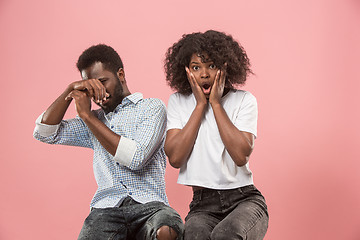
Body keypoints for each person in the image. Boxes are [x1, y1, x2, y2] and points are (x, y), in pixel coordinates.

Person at [33, 44, 183, 240]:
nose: (99, 92)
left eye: (103, 81)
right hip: (105, 210)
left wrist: (87, 116)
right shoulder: (95, 121)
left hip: (150, 207)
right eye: (91, 86)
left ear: (120, 75)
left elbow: (136, 158)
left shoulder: (151, 108)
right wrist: (70, 90)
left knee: (168, 229)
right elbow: (44, 133)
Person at [164, 30, 269, 240]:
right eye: (196, 67)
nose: (204, 74)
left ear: (225, 66)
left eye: (211, 66)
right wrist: (200, 106)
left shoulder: (244, 101)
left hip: (244, 199)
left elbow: (240, 155)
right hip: (202, 204)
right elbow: (175, 158)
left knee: (225, 236)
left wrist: (215, 104)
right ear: (186, 71)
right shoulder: (178, 102)